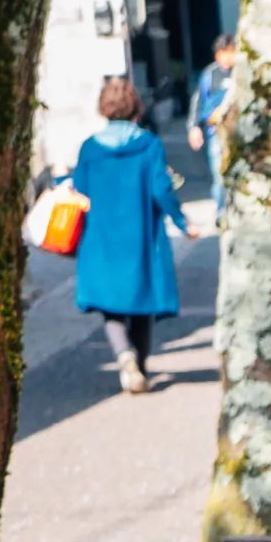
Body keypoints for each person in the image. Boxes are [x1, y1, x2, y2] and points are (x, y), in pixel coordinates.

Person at [71, 74, 193, 396]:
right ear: (135, 106)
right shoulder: (148, 145)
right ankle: (141, 365)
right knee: (142, 305)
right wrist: (182, 222)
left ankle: (124, 356)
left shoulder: (89, 148)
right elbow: (160, 189)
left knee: (110, 305)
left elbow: (79, 193)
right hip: (142, 236)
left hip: (102, 236)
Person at [192, 36, 239, 193]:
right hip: (216, 133)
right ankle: (220, 214)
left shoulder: (241, 72)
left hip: (239, 131)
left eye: (231, 52)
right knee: (219, 178)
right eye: (224, 52)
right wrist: (195, 127)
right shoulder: (210, 75)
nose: (228, 56)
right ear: (217, 54)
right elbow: (198, 103)